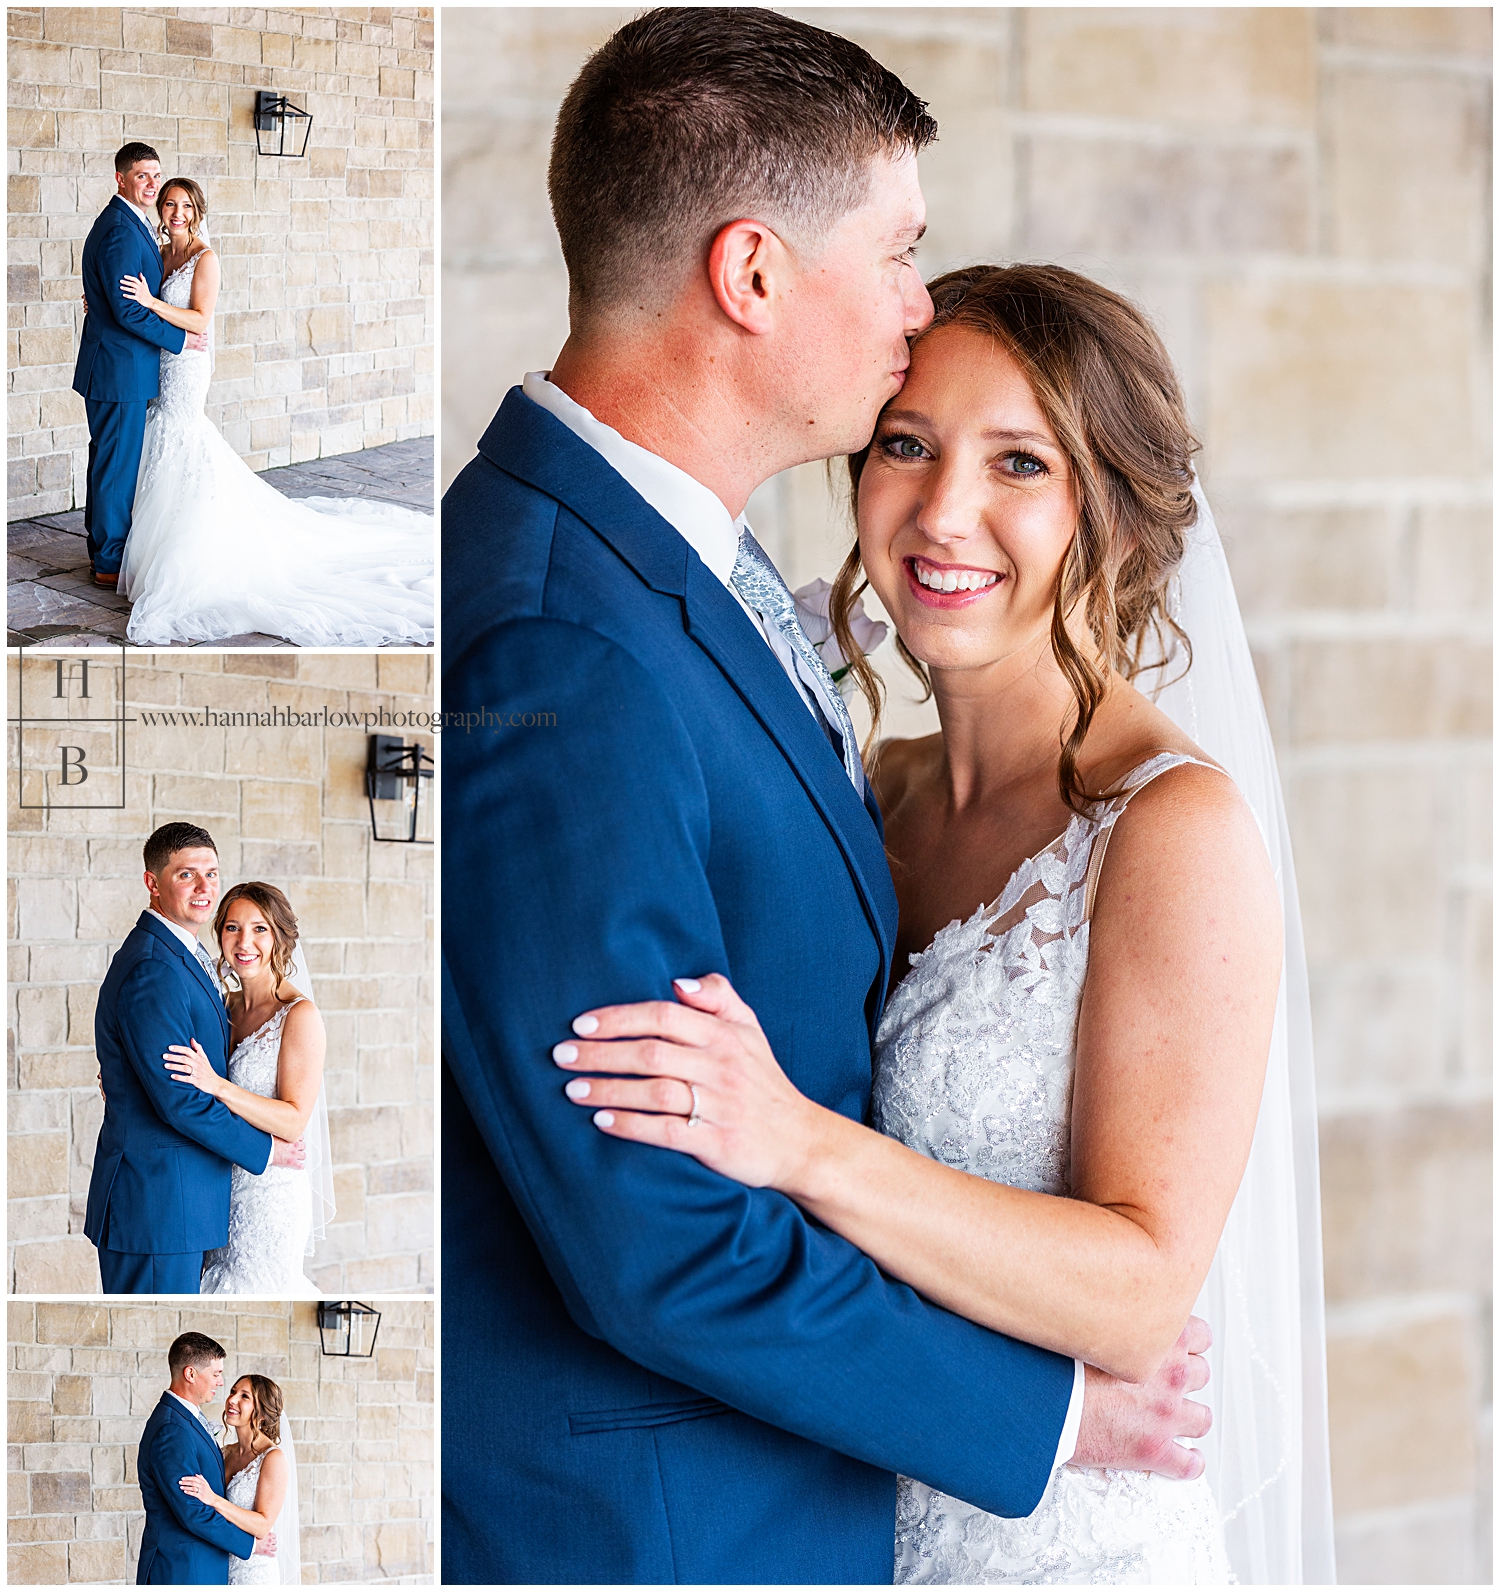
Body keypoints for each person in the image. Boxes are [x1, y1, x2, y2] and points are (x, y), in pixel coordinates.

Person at [441, 11, 1213, 1585]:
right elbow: (650, 1230)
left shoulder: (682, 573)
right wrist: (1049, 1422)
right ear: (752, 275)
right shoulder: (556, 632)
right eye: (898, 252)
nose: (916, 306)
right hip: (662, 1530)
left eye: (1021, 464)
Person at [556, 265, 1336, 1582]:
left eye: (1019, 463)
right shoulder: (877, 787)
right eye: (904, 446)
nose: (941, 512)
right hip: (835, 1504)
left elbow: (1142, 1297)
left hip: (1059, 1536)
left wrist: (798, 1145)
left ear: (1121, 523)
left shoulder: (1170, 833)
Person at [96, 173, 433, 646]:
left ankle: (189, 553)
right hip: (156, 364)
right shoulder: (158, 249)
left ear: (197, 212)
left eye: (185, 206)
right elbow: (124, 293)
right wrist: (103, 301)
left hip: (186, 366)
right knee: (157, 444)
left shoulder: (204, 259)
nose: (176, 213)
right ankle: (143, 545)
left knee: (181, 439)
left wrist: (151, 301)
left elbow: (199, 320)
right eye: (169, 204)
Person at [86, 824, 305, 1294]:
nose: (205, 888)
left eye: (212, 873)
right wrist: (265, 1150)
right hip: (158, 1207)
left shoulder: (183, 954)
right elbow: (180, 1100)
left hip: (186, 1204)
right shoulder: (153, 967)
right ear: (153, 882)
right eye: (187, 875)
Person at [163, 881, 334, 1296]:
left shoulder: (300, 1016)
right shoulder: (224, 1007)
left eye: (259, 929)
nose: (244, 942)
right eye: (233, 928)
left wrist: (218, 1085)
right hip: (217, 1188)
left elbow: (293, 1121)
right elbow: (182, 1075)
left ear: (279, 936)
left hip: (268, 1196)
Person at [72, 143, 206, 589]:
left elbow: (117, 297)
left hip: (122, 365)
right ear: (121, 179)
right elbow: (130, 310)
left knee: (111, 461)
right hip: (118, 369)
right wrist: (182, 339)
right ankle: (108, 561)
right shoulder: (119, 229)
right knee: (116, 466)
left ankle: (103, 549)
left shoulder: (135, 225)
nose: (151, 184)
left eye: (156, 175)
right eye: (142, 176)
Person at [136, 1333, 278, 1584]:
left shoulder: (184, 1420)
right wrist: (251, 1546)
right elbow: (193, 1512)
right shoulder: (172, 1429)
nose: (221, 1383)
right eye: (215, 1374)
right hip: (183, 1569)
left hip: (205, 1566)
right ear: (190, 1374)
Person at [180, 1373, 302, 1587]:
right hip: (218, 1565)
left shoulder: (272, 1458)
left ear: (262, 1413)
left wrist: (215, 1500)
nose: (232, 1400)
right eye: (233, 1392)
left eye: (245, 1396)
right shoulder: (225, 1453)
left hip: (253, 1572)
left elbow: (263, 1525)